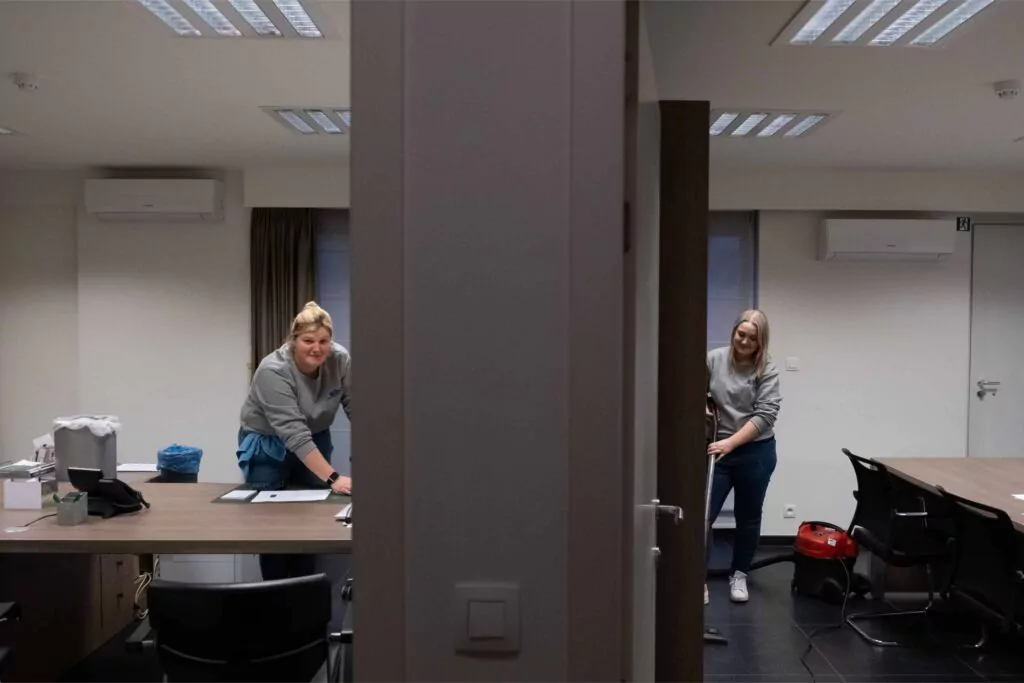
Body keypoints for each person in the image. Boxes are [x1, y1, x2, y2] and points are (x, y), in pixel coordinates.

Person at [237, 301, 352, 580]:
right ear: (293, 341)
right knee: (273, 524)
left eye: (324, 340)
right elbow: (294, 434)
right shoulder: (272, 370)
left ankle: (304, 591)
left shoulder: (340, 359)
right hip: (269, 444)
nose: (317, 348)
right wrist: (335, 476)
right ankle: (276, 595)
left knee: (312, 517)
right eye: (308, 340)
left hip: (316, 436)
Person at [705, 309, 781, 604]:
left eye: (752, 337)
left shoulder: (767, 369)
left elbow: (765, 415)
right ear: (734, 331)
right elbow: (697, 391)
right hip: (719, 450)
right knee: (704, 517)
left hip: (755, 451)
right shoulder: (713, 359)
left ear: (761, 341)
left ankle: (739, 575)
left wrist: (731, 444)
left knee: (748, 517)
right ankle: (698, 579)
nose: (744, 341)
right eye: (741, 334)